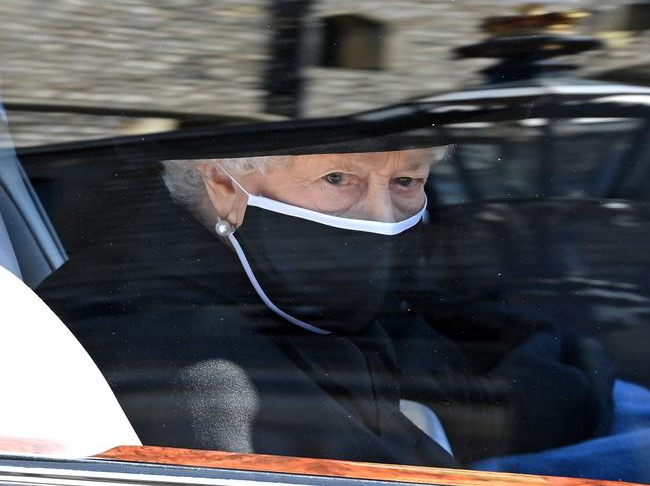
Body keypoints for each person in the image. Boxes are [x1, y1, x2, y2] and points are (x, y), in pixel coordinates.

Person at [36, 148, 614, 469]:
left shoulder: (289, 274)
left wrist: (434, 417)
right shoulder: (167, 350)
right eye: (338, 178)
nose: (383, 216)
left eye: (408, 181)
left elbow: (561, 362)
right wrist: (440, 418)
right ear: (222, 181)